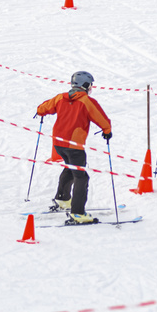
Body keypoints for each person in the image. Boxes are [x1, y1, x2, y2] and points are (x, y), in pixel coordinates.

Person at [36, 72, 112, 226]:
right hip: (74, 146)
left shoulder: (60, 97)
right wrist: (107, 131)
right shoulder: (86, 101)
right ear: (85, 85)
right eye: (90, 85)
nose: (91, 88)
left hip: (59, 144)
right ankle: (78, 212)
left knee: (71, 169)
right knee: (81, 177)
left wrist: (40, 112)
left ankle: (63, 199)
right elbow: (102, 119)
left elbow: (43, 108)